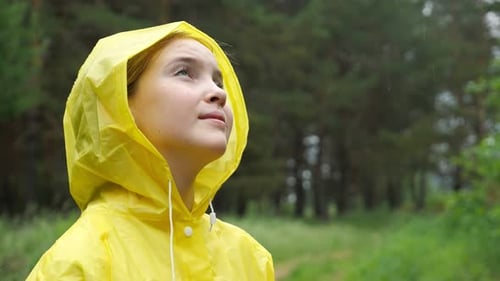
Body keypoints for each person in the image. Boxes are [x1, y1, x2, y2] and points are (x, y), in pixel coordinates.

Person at [27, 21, 274, 280]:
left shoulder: (250, 259)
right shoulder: (79, 264)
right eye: (184, 72)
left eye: (218, 81)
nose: (218, 93)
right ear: (119, 105)